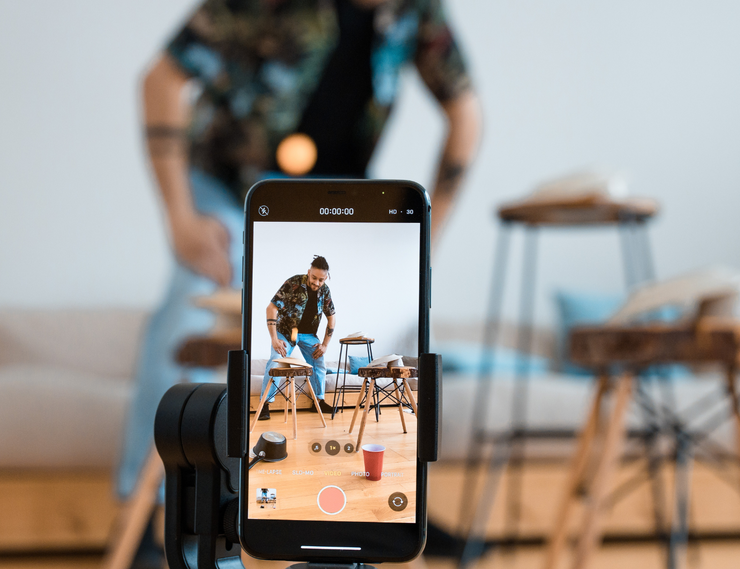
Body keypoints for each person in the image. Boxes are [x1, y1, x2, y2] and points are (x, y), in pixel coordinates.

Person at [118, 0, 482, 507]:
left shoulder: (417, 12)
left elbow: (466, 111)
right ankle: (155, 514)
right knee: (188, 311)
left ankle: (394, 497)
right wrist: (180, 219)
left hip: (337, 197)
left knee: (408, 334)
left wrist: (427, 240)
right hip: (230, 185)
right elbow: (161, 79)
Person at [261, 256, 337, 420]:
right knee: (276, 360)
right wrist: (274, 339)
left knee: (319, 360)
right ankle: (264, 405)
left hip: (308, 334)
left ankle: (318, 401)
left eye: (321, 280)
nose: (317, 283)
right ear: (309, 272)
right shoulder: (292, 283)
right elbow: (271, 308)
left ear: (327, 277)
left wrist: (324, 344)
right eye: (314, 278)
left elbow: (332, 317)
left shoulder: (325, 291)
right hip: (286, 332)